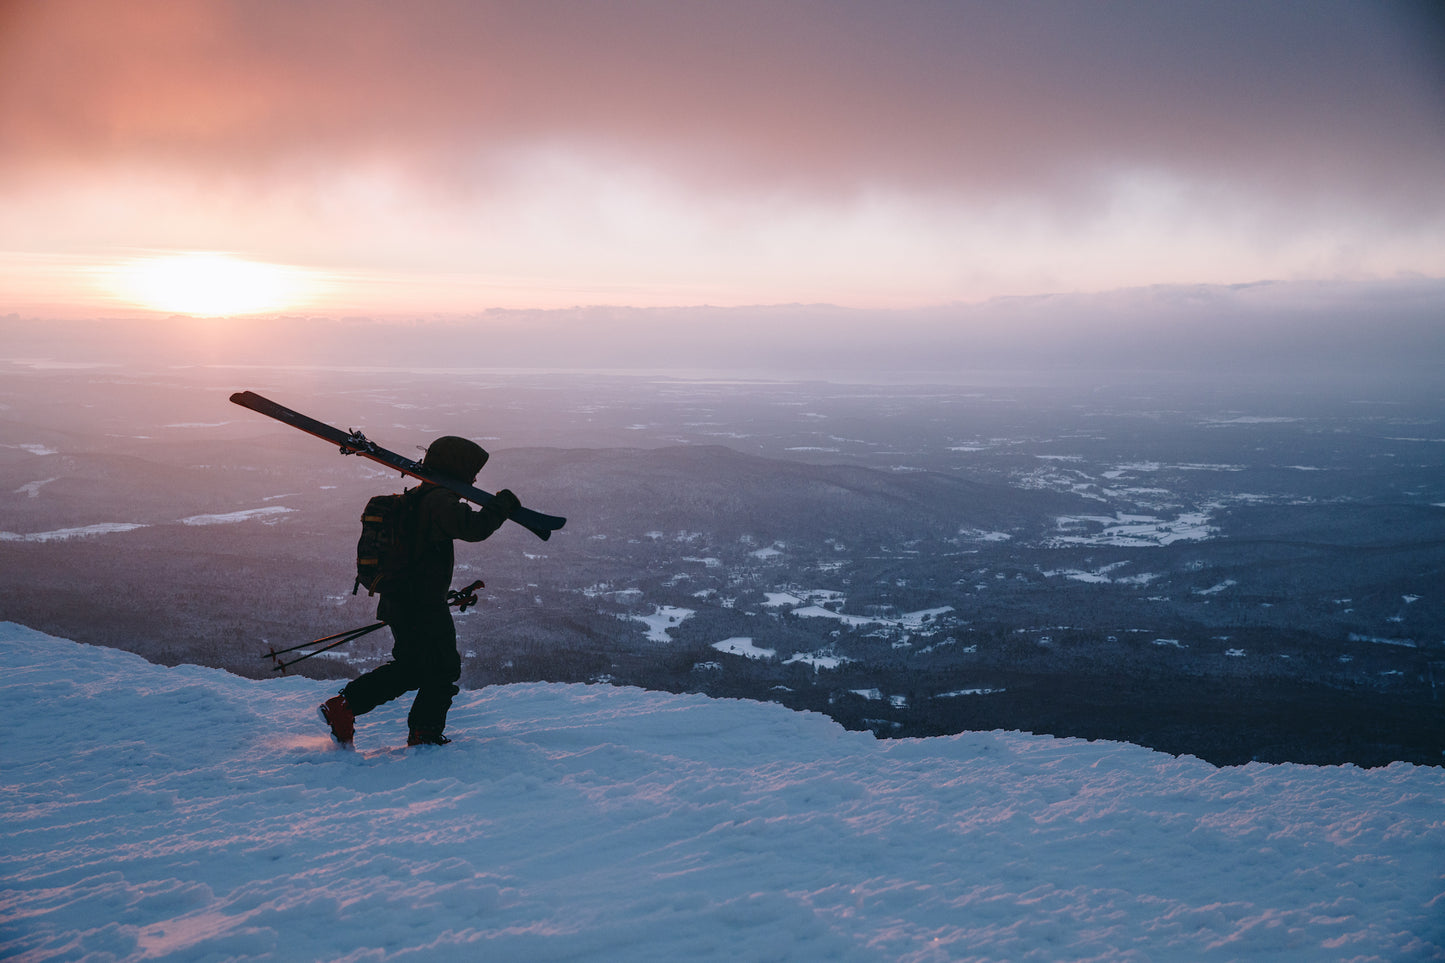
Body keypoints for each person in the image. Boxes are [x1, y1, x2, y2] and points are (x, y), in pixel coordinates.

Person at [319, 435, 520, 747]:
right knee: (444, 668)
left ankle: (344, 706)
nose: (475, 478)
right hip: (422, 607)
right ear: (458, 468)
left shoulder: (420, 496)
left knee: (412, 668)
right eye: (472, 470)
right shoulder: (439, 502)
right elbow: (475, 528)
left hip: (401, 602)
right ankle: (424, 732)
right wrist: (503, 503)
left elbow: (418, 556)